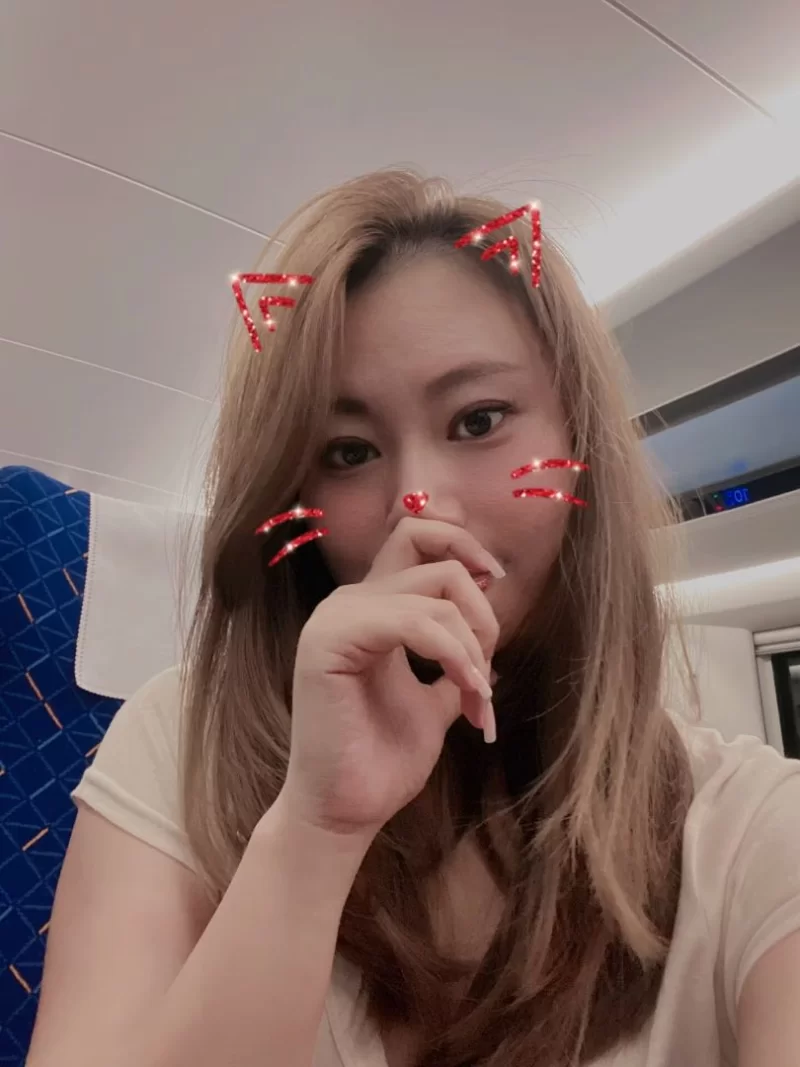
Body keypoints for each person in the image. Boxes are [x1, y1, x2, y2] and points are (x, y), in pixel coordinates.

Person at [26, 169, 800, 1067]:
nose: (418, 502)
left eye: (479, 419)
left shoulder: (752, 829)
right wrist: (315, 830)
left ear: (579, 438)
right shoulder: (176, 745)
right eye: (349, 451)